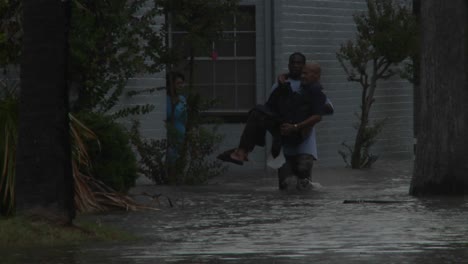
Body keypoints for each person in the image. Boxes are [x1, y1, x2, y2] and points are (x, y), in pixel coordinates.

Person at [166, 71, 187, 177]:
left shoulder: (183, 99)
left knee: (181, 160)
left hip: (182, 134)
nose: (181, 86)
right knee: (171, 159)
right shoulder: (166, 99)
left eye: (182, 83)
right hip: (170, 134)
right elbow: (168, 114)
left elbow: (186, 117)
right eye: (178, 83)